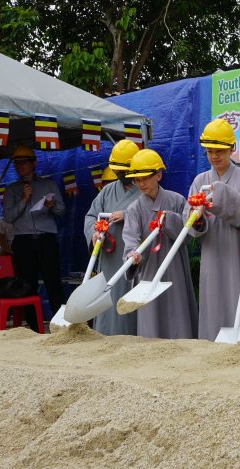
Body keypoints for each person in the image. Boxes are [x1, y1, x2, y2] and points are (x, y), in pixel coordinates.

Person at [187, 119, 240, 342]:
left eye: (219, 151)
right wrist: (196, 220)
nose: (214, 156)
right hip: (213, 250)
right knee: (214, 298)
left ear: (232, 149)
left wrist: (220, 196)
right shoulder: (200, 180)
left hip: (238, 249)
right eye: (210, 152)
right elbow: (188, 220)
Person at [121, 149, 198, 340]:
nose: (141, 183)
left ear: (158, 175)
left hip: (174, 266)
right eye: (137, 180)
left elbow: (188, 234)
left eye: (145, 178)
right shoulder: (134, 209)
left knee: (177, 310)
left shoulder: (177, 200)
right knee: (151, 316)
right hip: (149, 268)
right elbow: (130, 238)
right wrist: (133, 255)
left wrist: (169, 220)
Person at [1, 145, 65, 331]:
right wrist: (23, 199)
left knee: (53, 282)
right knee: (27, 285)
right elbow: (8, 217)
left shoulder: (49, 185)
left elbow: (62, 211)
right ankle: (34, 327)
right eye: (17, 163)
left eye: (24, 162)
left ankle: (60, 325)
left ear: (34, 163)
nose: (20, 166)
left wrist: (52, 205)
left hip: (46, 239)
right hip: (23, 241)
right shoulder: (11, 189)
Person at [82, 139, 140, 335]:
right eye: (116, 170)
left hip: (133, 260)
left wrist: (128, 214)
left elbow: (154, 216)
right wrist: (94, 233)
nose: (119, 174)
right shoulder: (107, 191)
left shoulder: (145, 188)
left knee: (130, 305)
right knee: (108, 304)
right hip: (109, 259)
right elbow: (91, 215)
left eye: (123, 170)